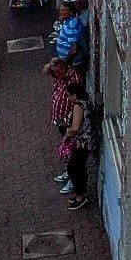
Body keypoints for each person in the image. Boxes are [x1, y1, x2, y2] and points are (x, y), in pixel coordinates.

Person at [59, 76, 92, 208]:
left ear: (75, 95)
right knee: (78, 167)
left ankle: (80, 196)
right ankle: (80, 194)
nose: (68, 98)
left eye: (69, 95)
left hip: (81, 143)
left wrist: (67, 134)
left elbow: (75, 128)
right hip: (86, 141)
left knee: (75, 168)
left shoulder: (78, 106)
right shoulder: (86, 102)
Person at [53, 0, 89, 72]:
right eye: (60, 10)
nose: (61, 12)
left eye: (63, 10)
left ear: (70, 12)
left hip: (73, 63)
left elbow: (74, 49)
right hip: (68, 61)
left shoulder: (72, 25)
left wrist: (64, 61)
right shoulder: (68, 21)